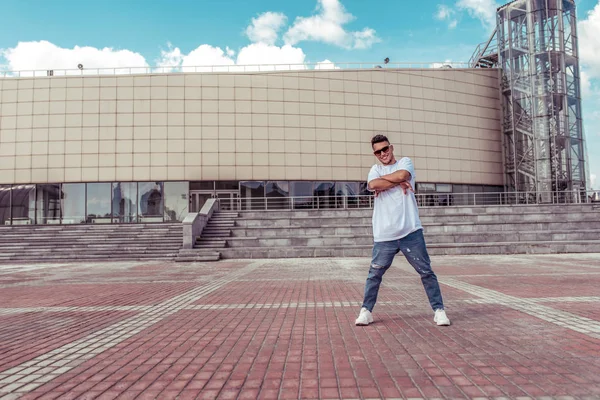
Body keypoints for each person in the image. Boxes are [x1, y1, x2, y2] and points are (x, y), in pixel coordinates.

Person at [355, 134, 451, 327]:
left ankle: (439, 310)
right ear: (374, 153)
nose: (383, 154)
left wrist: (394, 180)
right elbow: (373, 185)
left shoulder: (405, 162)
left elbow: (402, 175)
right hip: (384, 234)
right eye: (378, 151)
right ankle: (366, 311)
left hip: (410, 231)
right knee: (374, 274)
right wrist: (396, 182)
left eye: (385, 149)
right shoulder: (375, 169)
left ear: (391, 147)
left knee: (426, 272)